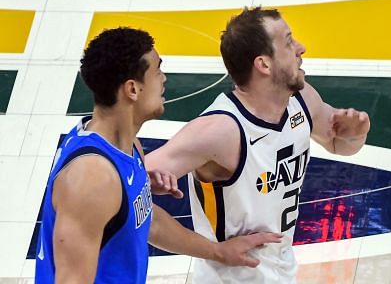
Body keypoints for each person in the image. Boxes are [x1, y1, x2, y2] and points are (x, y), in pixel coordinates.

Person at [35, 27, 280, 283]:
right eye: (157, 70)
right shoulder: (93, 178)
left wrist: (218, 251)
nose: (164, 78)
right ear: (132, 89)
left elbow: (149, 221)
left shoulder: (126, 147)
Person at [146, 7, 371, 283]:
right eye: (288, 41)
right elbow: (124, 191)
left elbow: (339, 144)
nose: (301, 48)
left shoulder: (302, 100)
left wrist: (356, 133)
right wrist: (213, 251)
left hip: (282, 273)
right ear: (263, 64)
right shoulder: (221, 130)